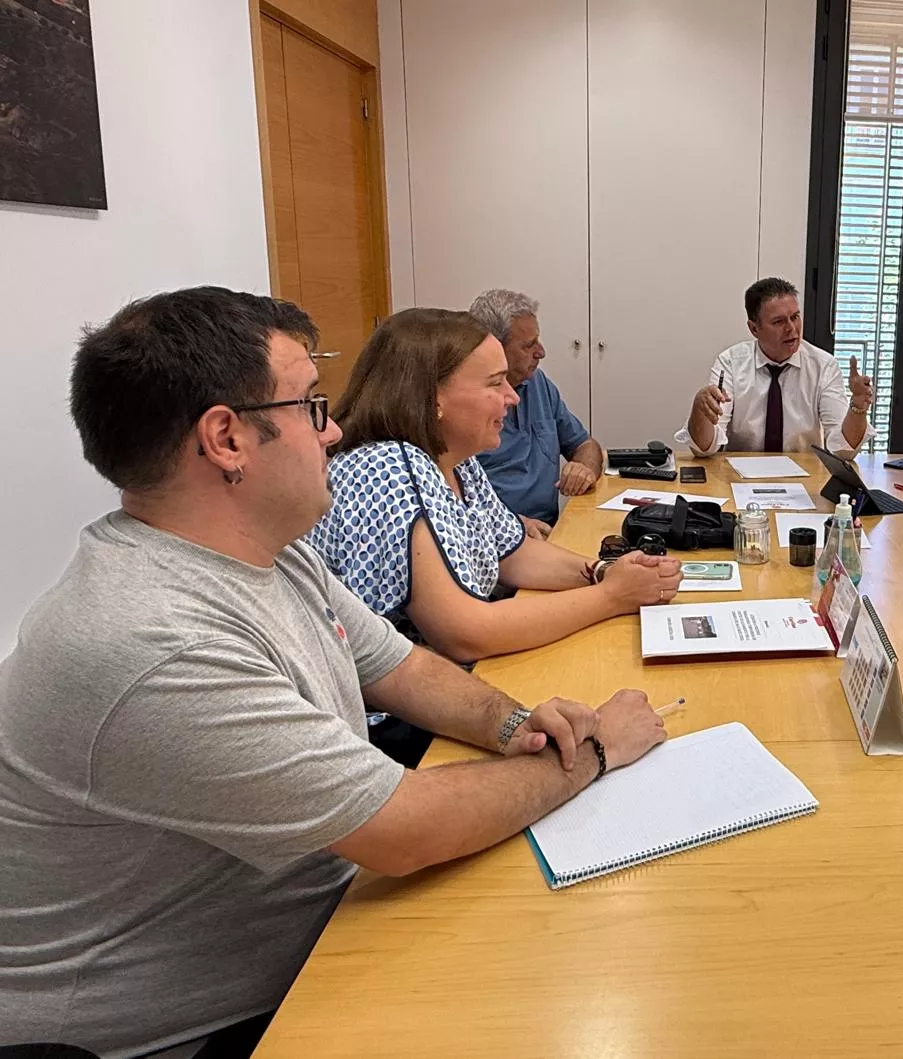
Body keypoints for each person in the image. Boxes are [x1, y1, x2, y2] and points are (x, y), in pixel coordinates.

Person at [0, 287, 668, 1058]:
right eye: (312, 407)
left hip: (312, 930)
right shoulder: (155, 638)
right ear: (227, 438)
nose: (337, 429)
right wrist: (592, 751)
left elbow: (403, 665)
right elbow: (406, 829)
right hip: (192, 1030)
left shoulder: (267, 551)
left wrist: (518, 725)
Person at [309, 308, 681, 664]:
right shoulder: (385, 468)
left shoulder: (456, 459)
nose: (513, 396)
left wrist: (604, 570)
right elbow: (464, 633)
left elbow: (512, 553)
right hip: (390, 717)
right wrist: (611, 597)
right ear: (433, 398)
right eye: (494, 383)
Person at [679, 277, 876, 455]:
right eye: (779, 321)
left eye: (795, 317)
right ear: (754, 328)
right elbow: (704, 448)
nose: (791, 328)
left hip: (806, 478)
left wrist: (858, 405)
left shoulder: (823, 365)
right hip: (740, 478)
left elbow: (843, 450)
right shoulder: (730, 362)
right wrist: (699, 410)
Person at [469, 288, 603, 539]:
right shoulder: (466, 404)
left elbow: (585, 444)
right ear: (492, 348)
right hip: (496, 540)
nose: (541, 352)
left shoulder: (538, 383)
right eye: (528, 345)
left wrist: (584, 468)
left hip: (549, 530)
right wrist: (512, 526)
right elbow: (448, 506)